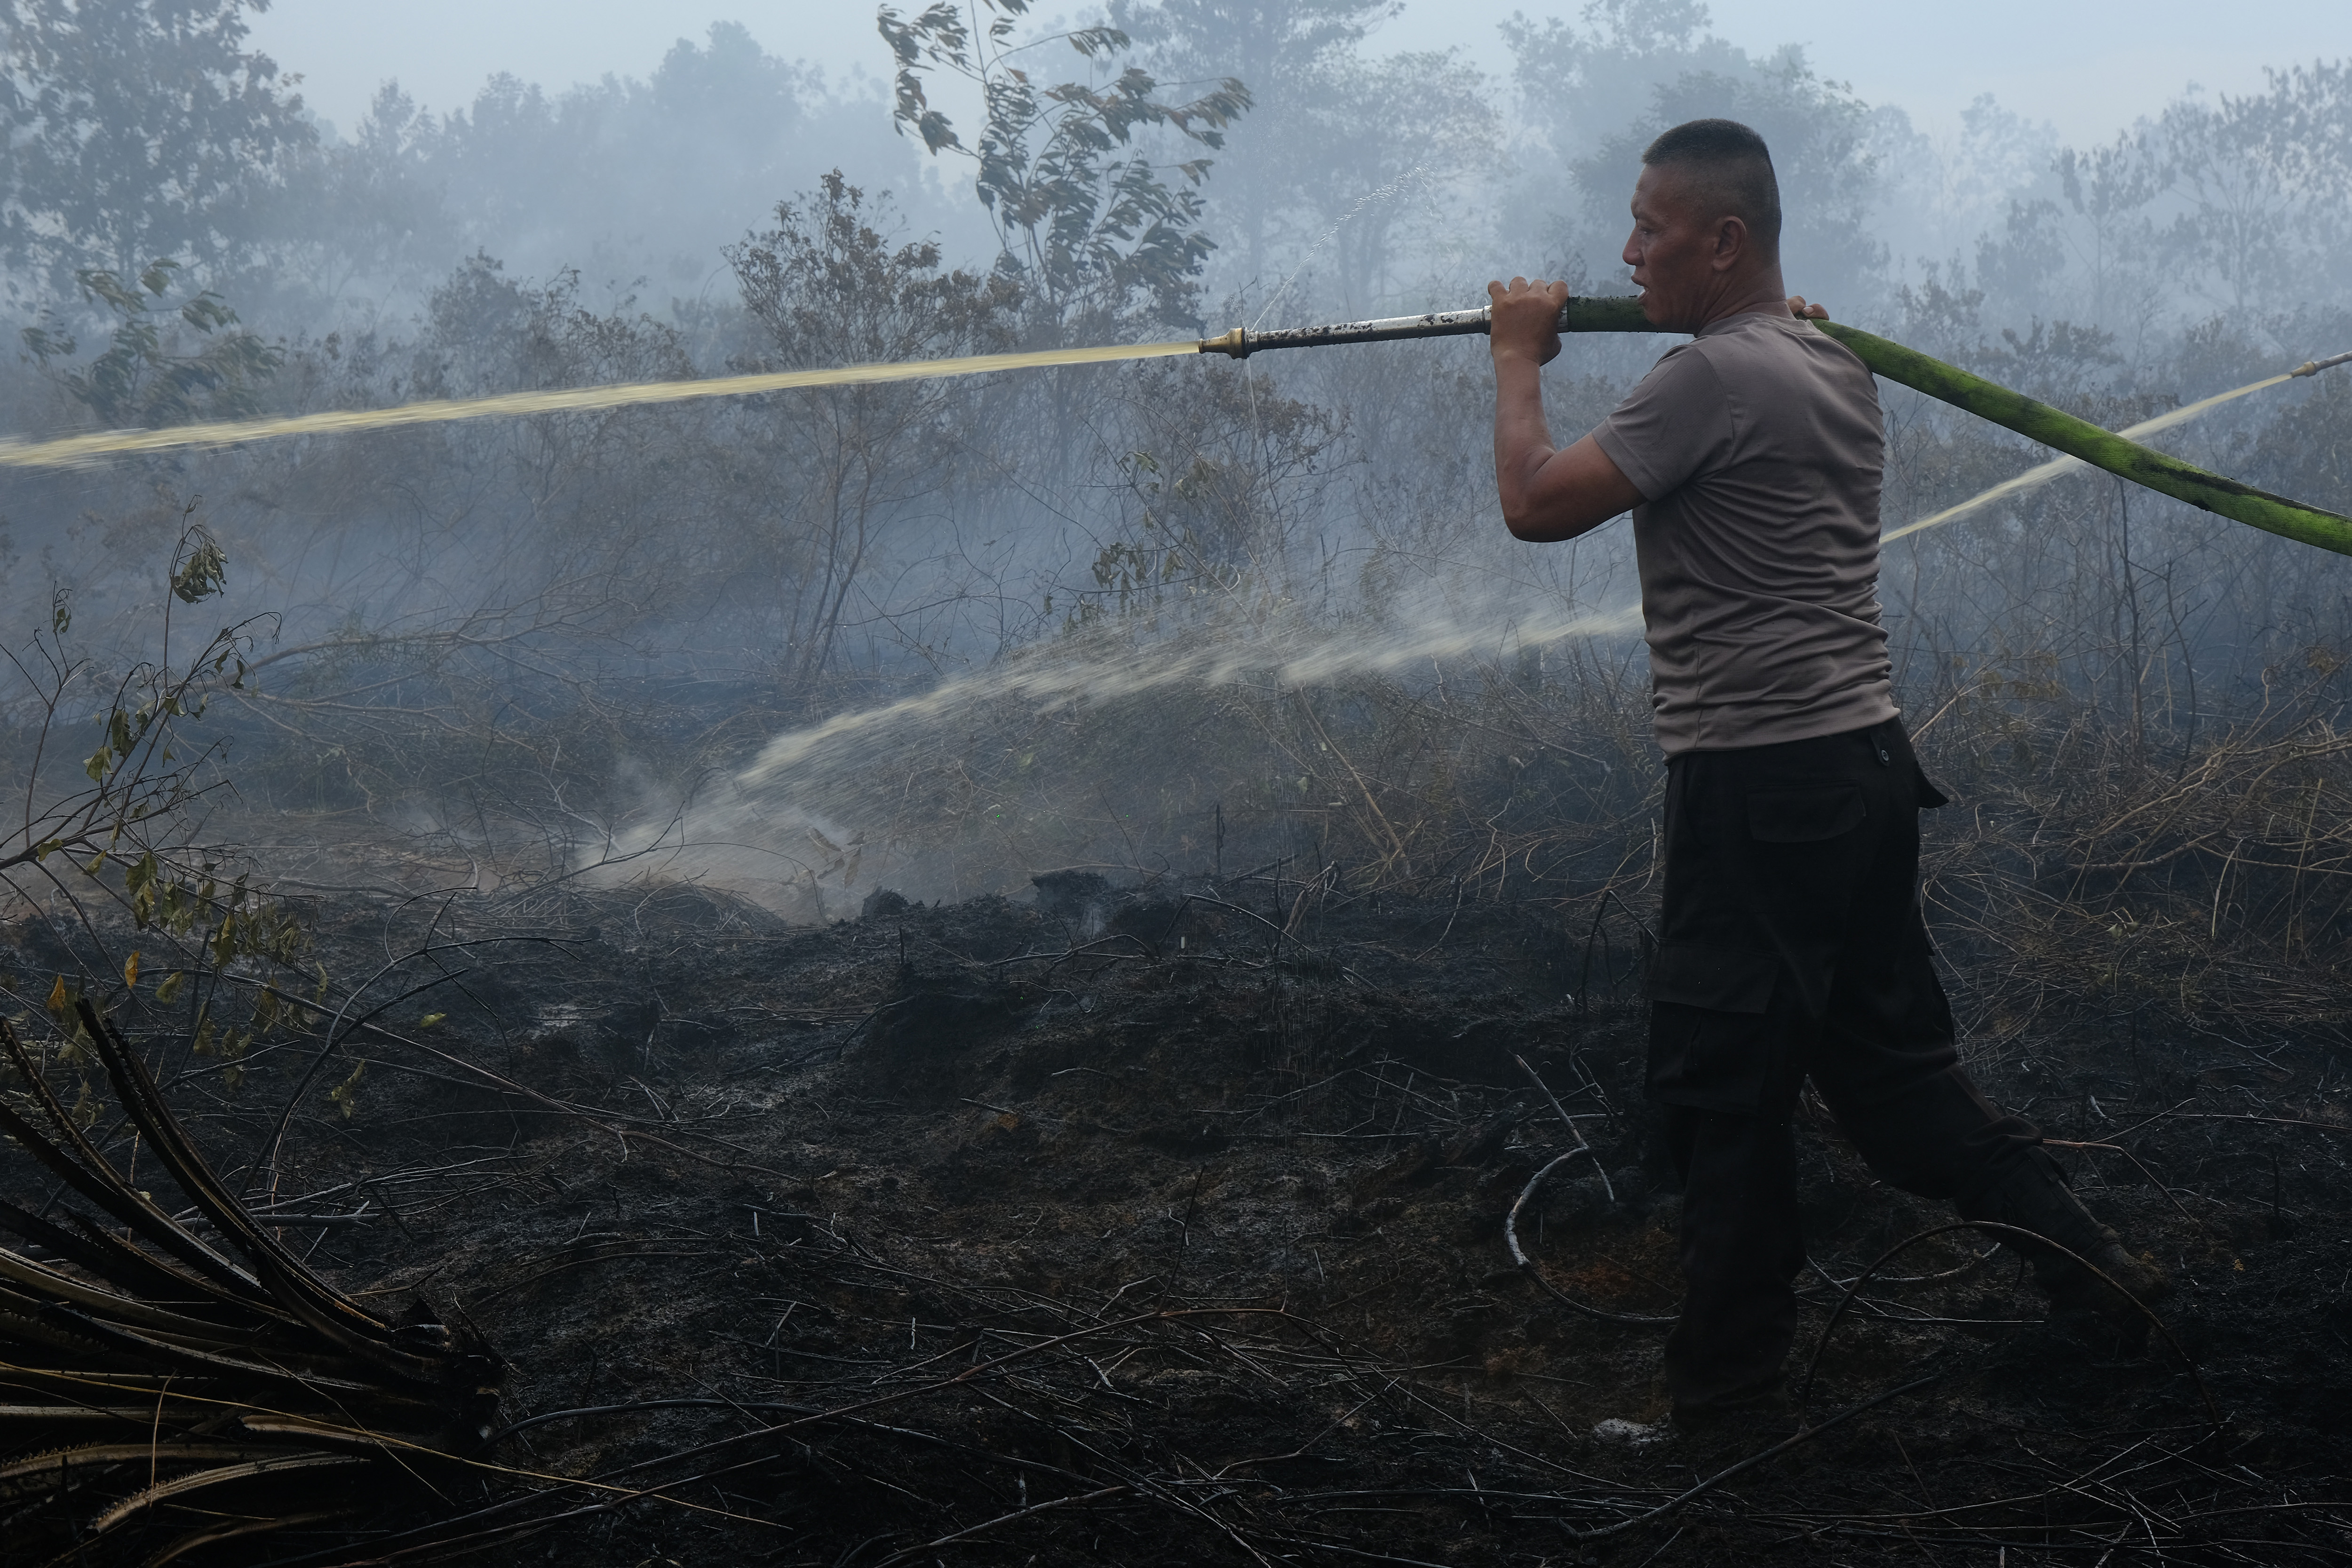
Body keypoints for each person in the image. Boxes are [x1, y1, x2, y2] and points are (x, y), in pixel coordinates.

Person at [1486, 118, 2168, 1437]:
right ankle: (2097, 1276)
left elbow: (1534, 503)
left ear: (1724, 241)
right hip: (1861, 771)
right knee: (1895, 1082)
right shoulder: (1828, 360)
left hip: (1760, 788)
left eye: (1650, 229)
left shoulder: (1709, 377)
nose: (1627, 253)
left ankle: (1723, 1410)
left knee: (1724, 1096)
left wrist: (1518, 356)